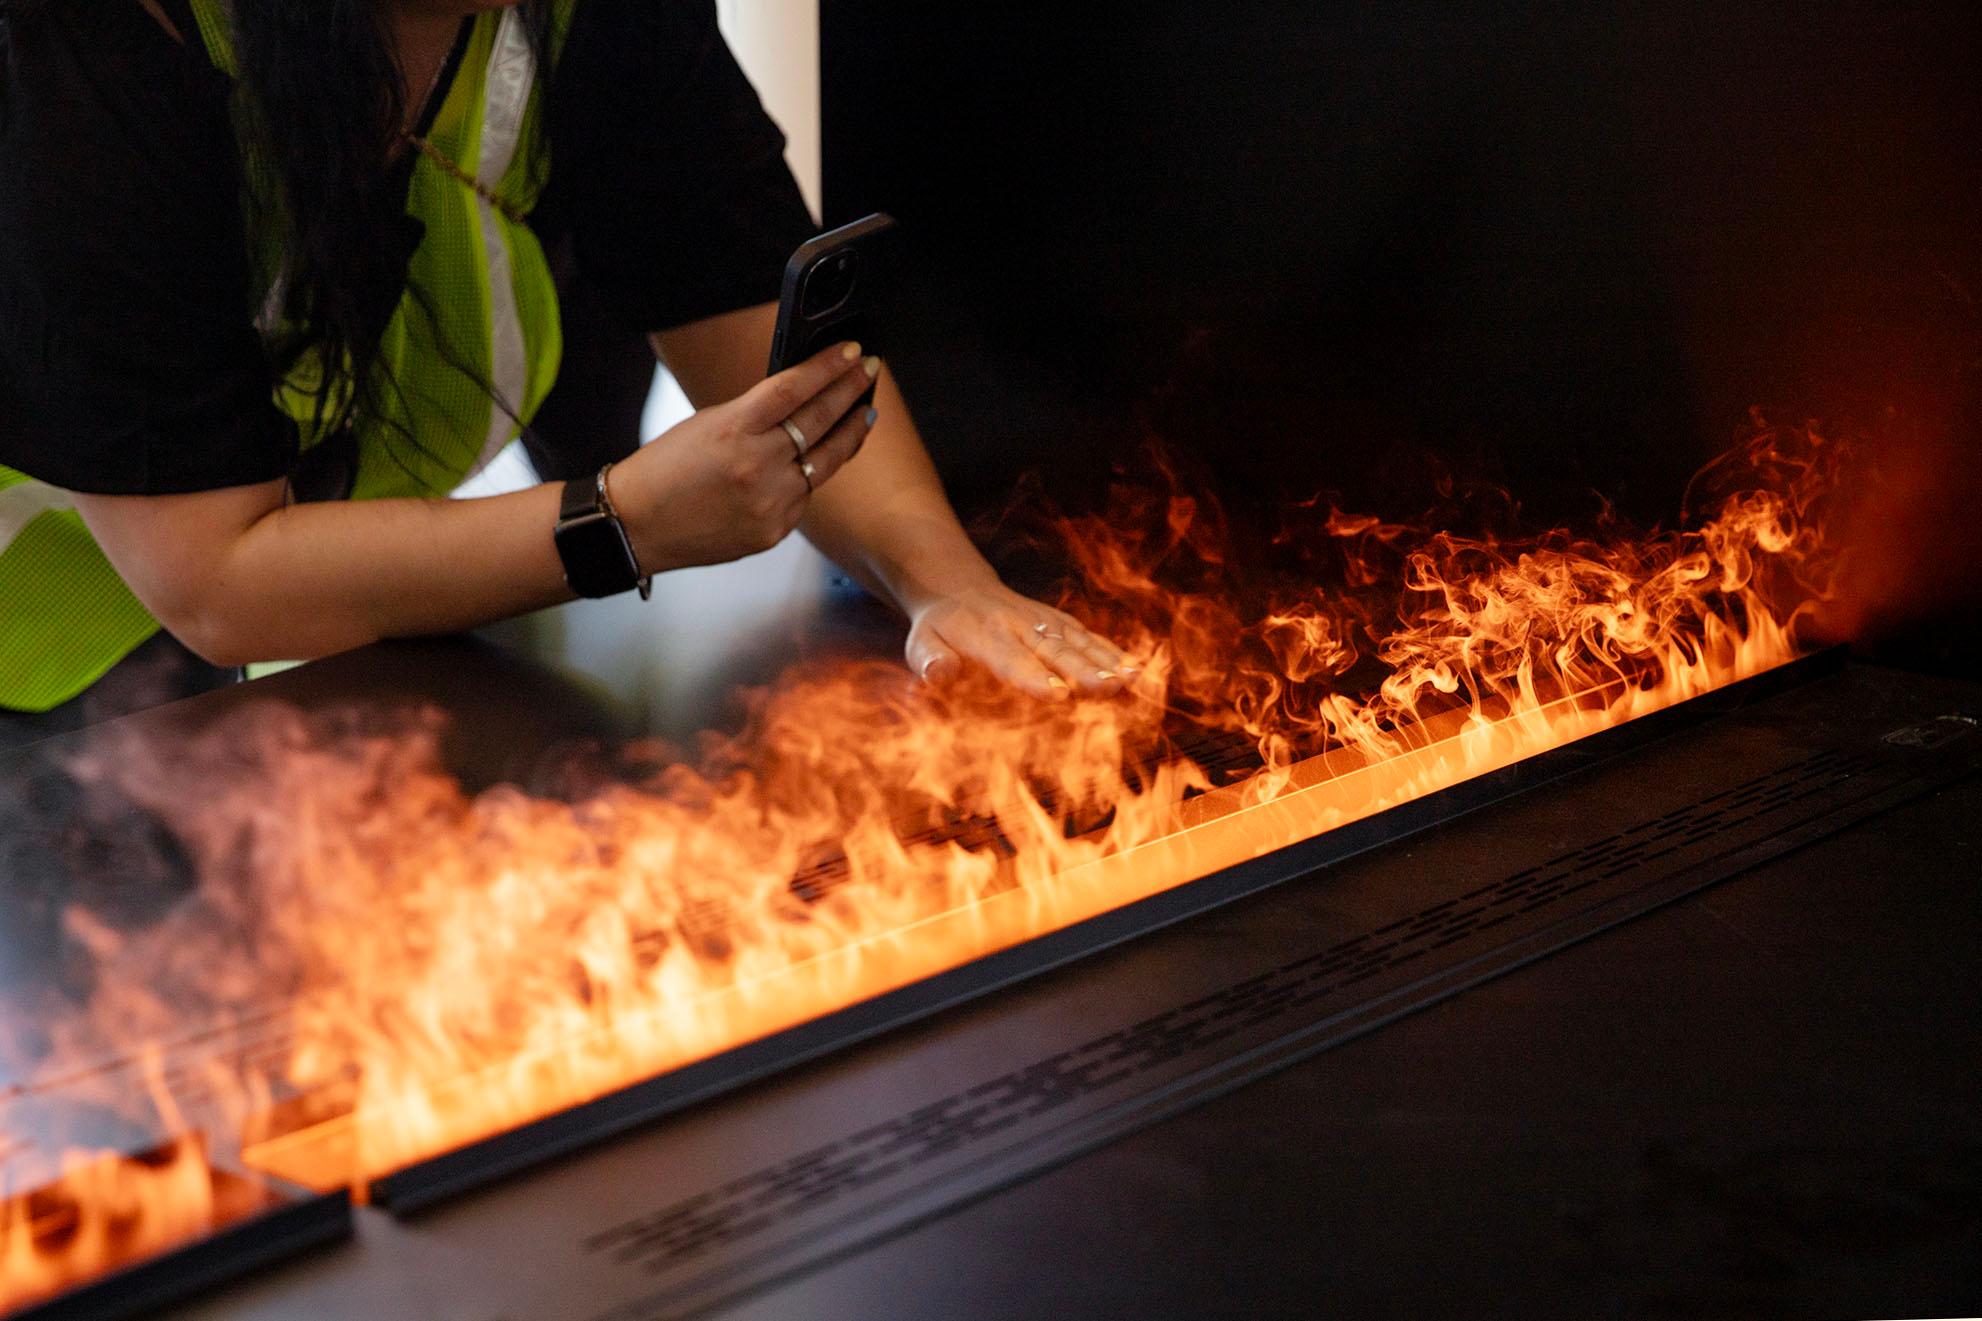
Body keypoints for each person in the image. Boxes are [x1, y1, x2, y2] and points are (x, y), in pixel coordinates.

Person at [0, 0, 1131, 747]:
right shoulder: (84, 47)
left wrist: (944, 586)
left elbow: (748, 313)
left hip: (247, 580)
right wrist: (622, 522)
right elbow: (216, 579)